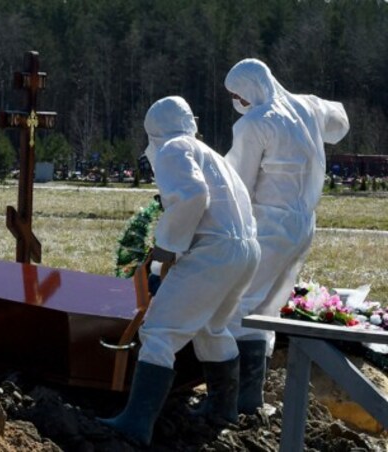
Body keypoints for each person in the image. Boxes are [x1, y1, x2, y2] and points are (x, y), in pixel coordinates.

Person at [98, 96, 260, 446]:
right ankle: (222, 408)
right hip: (246, 250)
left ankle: (136, 423)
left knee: (158, 332)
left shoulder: (173, 148)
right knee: (212, 328)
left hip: (214, 252)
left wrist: (167, 248)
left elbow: (190, 196)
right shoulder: (213, 155)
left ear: (154, 130)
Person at [223, 58, 349, 414]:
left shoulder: (255, 124)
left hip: (269, 225)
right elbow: (339, 123)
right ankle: (252, 397)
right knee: (268, 308)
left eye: (238, 95)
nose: (238, 102)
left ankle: (234, 400)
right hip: (304, 224)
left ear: (249, 89)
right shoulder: (307, 105)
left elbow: (239, 184)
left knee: (238, 304)